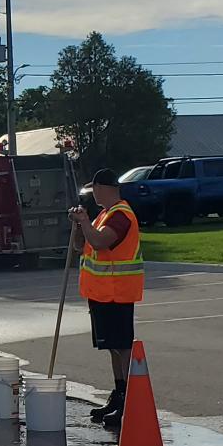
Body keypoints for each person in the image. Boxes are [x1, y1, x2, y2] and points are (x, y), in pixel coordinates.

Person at [68, 168, 144, 426]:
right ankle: (119, 393)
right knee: (112, 346)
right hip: (102, 293)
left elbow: (101, 242)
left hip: (118, 293)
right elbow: (83, 245)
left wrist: (86, 223)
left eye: (95, 189)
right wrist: (81, 223)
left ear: (103, 188)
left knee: (122, 346)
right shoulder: (105, 214)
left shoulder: (121, 215)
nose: (93, 194)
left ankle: (128, 401)